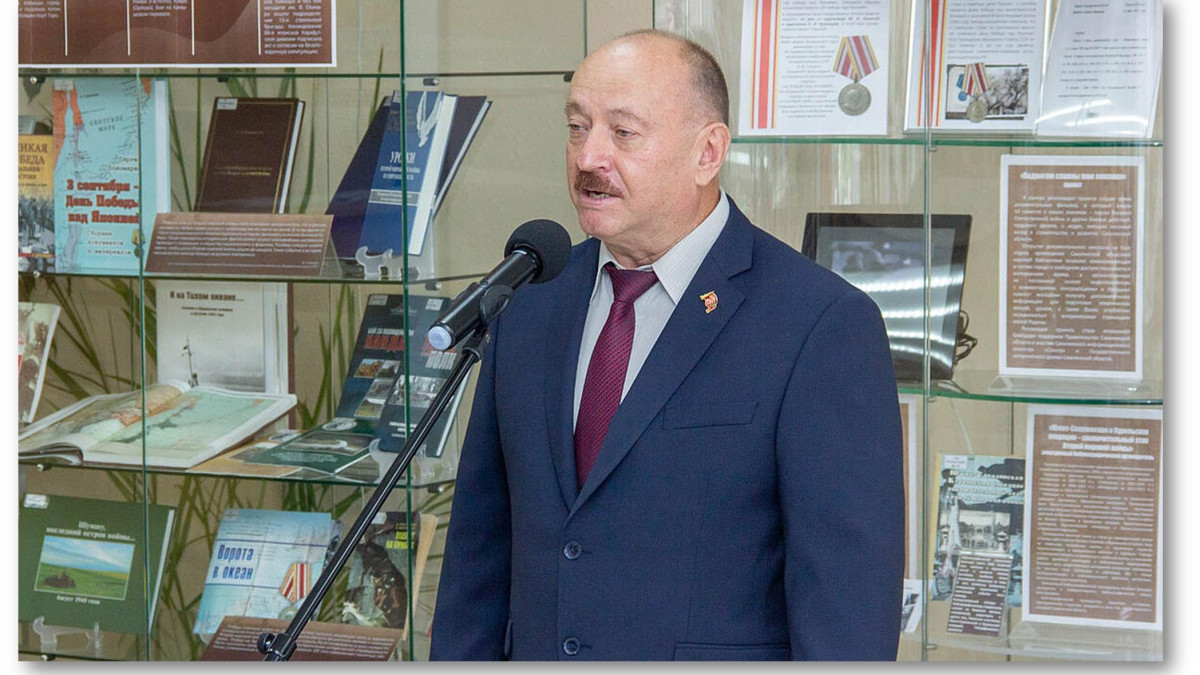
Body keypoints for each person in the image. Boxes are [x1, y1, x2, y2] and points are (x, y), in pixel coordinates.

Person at [430, 29, 903, 661]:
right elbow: (478, 553)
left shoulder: (820, 324)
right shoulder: (531, 297)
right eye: (577, 127)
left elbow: (848, 608)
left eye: (623, 132)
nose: (589, 157)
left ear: (708, 152)